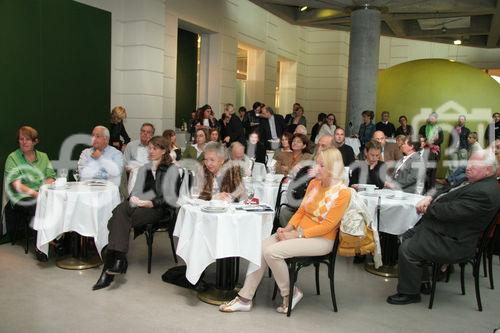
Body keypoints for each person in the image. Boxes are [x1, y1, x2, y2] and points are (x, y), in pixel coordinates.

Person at [219, 148, 351, 313]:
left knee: (272, 252)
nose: (316, 168)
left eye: (321, 165)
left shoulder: (343, 193)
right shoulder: (314, 184)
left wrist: (296, 234)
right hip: (299, 232)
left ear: (333, 168)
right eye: (317, 163)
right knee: (260, 248)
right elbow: (301, 211)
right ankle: (245, 298)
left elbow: (328, 226)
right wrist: (286, 228)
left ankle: (290, 293)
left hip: (322, 239)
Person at [386, 151, 500, 305]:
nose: (468, 167)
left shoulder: (484, 192)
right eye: (469, 162)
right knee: (407, 234)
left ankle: (410, 293)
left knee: (407, 249)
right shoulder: (475, 182)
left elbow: (451, 212)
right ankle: (422, 282)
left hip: (454, 241)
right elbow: (446, 190)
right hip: (446, 230)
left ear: (488, 169)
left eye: (474, 165)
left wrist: (427, 208)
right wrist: (431, 197)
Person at [92, 136, 180, 290]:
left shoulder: (171, 170)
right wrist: (135, 198)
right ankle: (118, 260)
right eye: (150, 147)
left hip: (159, 210)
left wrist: (151, 203)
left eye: (155, 148)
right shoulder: (145, 168)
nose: (151, 151)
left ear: (164, 150)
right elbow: (135, 191)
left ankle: (112, 267)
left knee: (114, 221)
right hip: (140, 207)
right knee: (122, 211)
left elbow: (171, 198)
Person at [4, 126, 56, 261]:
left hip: (42, 193)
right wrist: (36, 194)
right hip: (22, 196)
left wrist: (45, 185)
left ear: (35, 141)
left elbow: (51, 176)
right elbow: (16, 184)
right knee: (37, 205)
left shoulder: (43, 156)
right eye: (21, 139)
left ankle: (58, 239)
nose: (24, 142)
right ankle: (40, 246)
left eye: (27, 139)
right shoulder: (13, 158)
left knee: (62, 201)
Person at [123, 123, 155, 193]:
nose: (145, 133)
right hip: (134, 178)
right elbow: (124, 164)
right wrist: (133, 169)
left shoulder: (156, 147)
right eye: (143, 131)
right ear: (140, 132)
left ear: (152, 135)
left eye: (148, 132)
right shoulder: (131, 145)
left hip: (152, 179)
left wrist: (150, 146)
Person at [418, 112, 443, 190]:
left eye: (434, 118)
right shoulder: (423, 127)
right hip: (424, 151)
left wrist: (432, 142)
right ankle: (423, 187)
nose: (432, 119)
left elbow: (441, 139)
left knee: (433, 171)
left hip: (434, 151)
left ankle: (431, 188)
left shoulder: (439, 128)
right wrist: (426, 141)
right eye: (431, 118)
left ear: (436, 119)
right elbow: (419, 137)